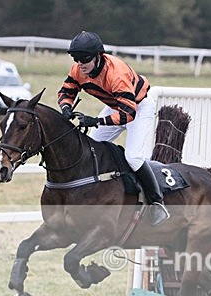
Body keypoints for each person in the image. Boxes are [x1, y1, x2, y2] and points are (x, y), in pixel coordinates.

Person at [58, 31, 169, 226]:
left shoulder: (116, 74)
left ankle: (157, 203)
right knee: (92, 145)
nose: (80, 63)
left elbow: (128, 114)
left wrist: (97, 121)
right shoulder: (78, 69)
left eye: (84, 59)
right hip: (116, 104)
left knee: (133, 157)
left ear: (98, 56)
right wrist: (66, 107)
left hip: (138, 107)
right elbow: (67, 90)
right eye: (76, 58)